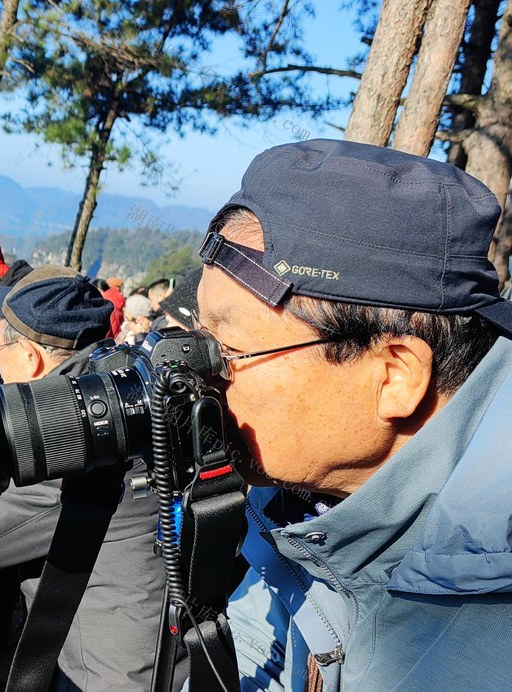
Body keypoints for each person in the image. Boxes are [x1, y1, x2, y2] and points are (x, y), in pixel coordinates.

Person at [195, 139, 512, 691]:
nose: (199, 383)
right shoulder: (301, 509)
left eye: (228, 353)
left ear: (394, 376)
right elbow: (256, 654)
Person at [0, 265, 185, 691]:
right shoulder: (112, 390)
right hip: (157, 656)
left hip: (105, 678)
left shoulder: (62, 446)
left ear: (30, 358)